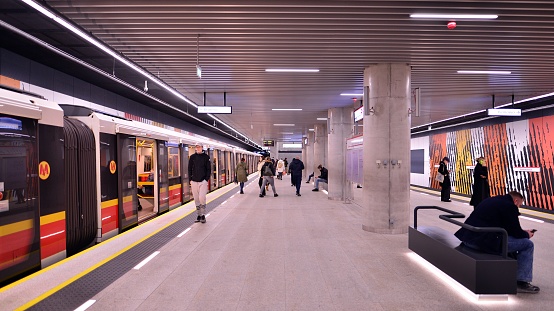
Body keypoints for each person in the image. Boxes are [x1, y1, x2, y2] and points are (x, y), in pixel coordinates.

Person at [454, 191, 539, 293]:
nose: (518, 207)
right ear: (516, 201)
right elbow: (515, 231)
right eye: (519, 205)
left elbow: (507, 227)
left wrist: (521, 232)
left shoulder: (491, 200)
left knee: (513, 239)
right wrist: (527, 234)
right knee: (527, 244)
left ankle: (511, 275)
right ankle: (521, 282)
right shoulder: (509, 206)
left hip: (468, 239)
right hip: (482, 243)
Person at [188, 144, 211, 223]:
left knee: (202, 197)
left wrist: (206, 179)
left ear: (202, 148)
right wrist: (190, 179)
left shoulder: (206, 157)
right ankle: (198, 215)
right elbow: (189, 169)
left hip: (202, 181)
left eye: (199, 147)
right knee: (196, 199)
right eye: (196, 147)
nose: (198, 148)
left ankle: (203, 214)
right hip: (194, 181)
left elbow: (208, 169)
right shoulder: (192, 157)